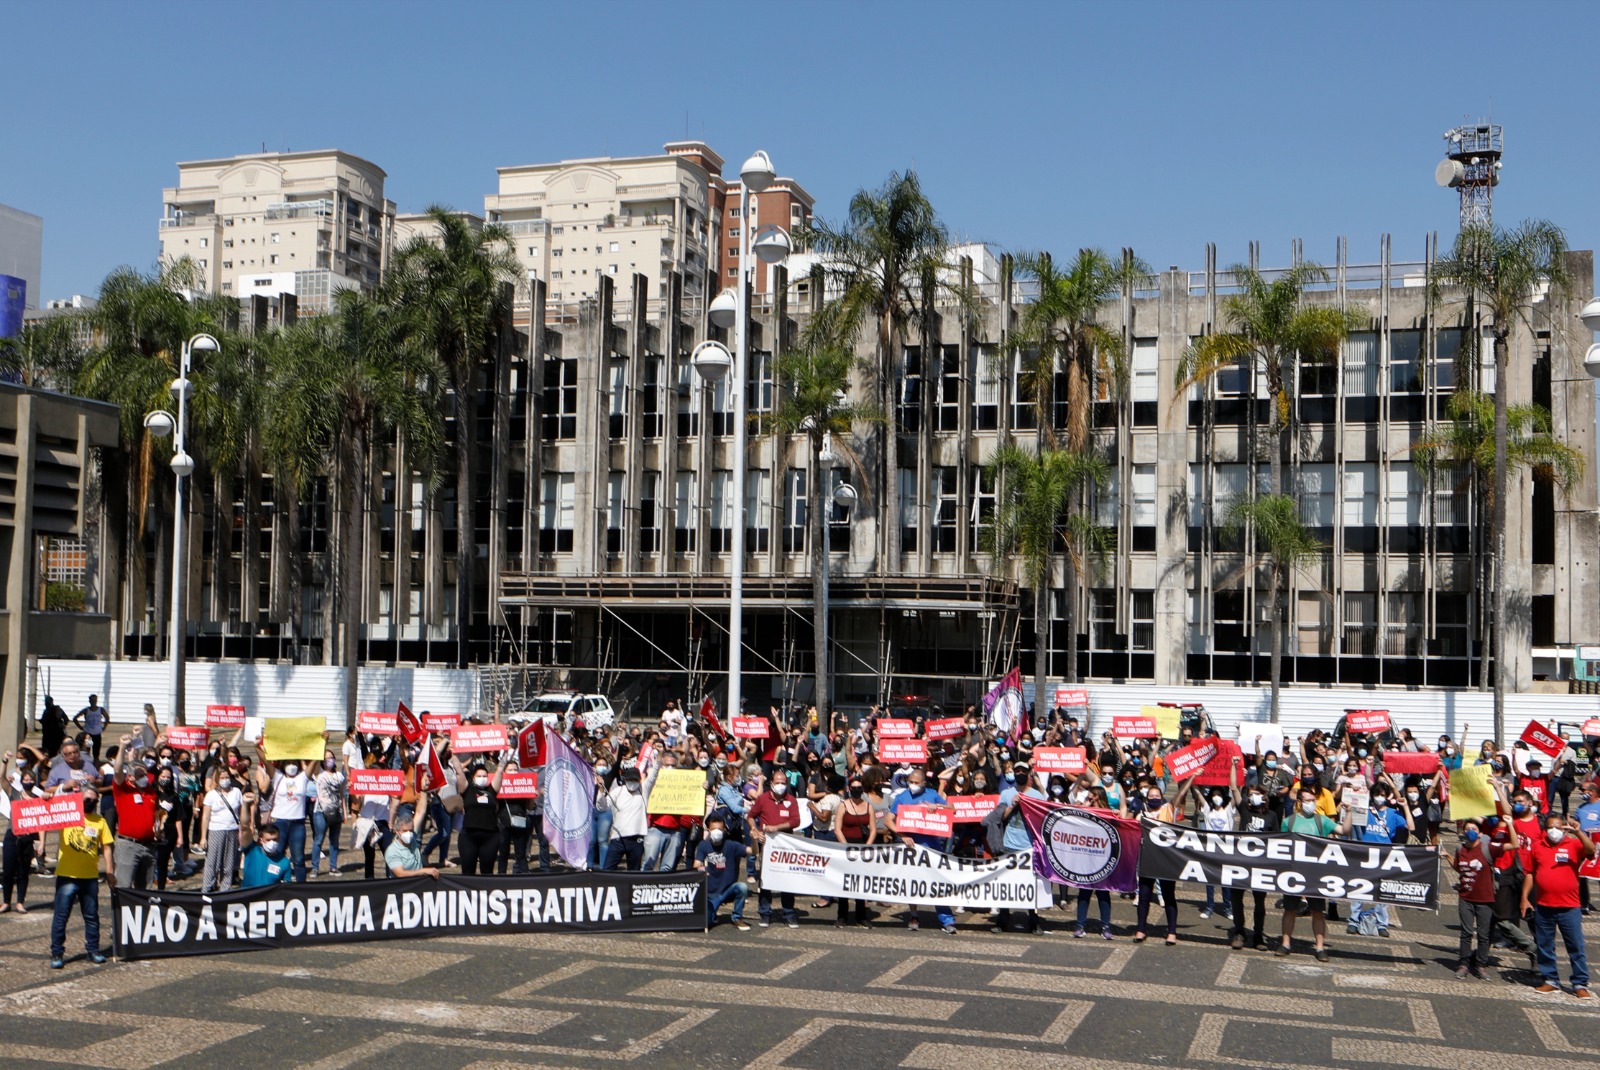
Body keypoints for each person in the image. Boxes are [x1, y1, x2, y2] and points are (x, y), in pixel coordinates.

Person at [1522, 812, 1596, 998]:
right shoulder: (1538, 846)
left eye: (1557, 826)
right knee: (1545, 945)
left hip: (1569, 906)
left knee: (1576, 947)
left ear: (1564, 828)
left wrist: (1578, 832)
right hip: (1544, 906)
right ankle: (1550, 980)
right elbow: (1530, 873)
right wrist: (1524, 897)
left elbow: (1591, 850)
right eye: (1550, 827)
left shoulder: (1573, 844)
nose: (1553, 830)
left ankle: (1580, 982)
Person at [1278, 787, 1352, 961]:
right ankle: (1285, 943)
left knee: (1317, 912)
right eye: (1308, 800)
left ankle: (1319, 948)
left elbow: (1344, 831)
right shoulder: (1288, 822)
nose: (1311, 803)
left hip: (1316, 874)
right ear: (1299, 802)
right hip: (1294, 873)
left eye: (1313, 800)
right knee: (1289, 910)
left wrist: (1349, 813)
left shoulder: (1322, 821)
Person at [49, 783, 113, 969]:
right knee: (61, 917)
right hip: (67, 875)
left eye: (93, 800)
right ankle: (57, 952)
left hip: (89, 876)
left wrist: (109, 871)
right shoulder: (67, 816)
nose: (90, 802)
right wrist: (47, 797)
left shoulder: (100, 821)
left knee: (92, 916)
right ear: (79, 799)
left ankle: (93, 950)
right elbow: (48, 813)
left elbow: (107, 848)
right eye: (86, 799)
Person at [886, 768, 957, 934]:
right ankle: (914, 915)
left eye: (916, 783)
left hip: (932, 847)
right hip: (912, 847)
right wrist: (902, 835)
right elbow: (889, 820)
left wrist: (937, 806)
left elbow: (952, 810)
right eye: (910, 782)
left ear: (923, 783)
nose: (913, 785)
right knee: (912, 882)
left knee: (938, 883)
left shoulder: (932, 794)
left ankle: (946, 919)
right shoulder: (902, 797)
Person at [1348, 773, 1413, 938]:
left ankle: (1381, 923)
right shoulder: (1366, 810)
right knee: (1359, 887)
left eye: (1382, 795)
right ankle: (1353, 921)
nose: (1379, 798)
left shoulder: (1392, 813)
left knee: (1382, 890)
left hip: (1385, 855)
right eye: (1376, 795)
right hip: (1365, 852)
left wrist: (1405, 807)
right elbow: (1349, 824)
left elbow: (1411, 827)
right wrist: (1353, 802)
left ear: (1386, 796)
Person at [1133, 778, 1192, 945]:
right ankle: (1141, 929)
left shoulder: (1168, 808)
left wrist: (1192, 777)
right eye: (1151, 795)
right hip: (1147, 860)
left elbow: (1180, 794)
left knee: (1168, 896)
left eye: (1156, 795)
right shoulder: (1141, 814)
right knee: (1144, 896)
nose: (1154, 798)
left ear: (1161, 797)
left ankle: (1172, 931)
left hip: (1166, 860)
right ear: (1146, 798)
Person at [995, 761, 1046, 935]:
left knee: (1031, 885)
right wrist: (1013, 804)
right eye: (1017, 771)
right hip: (1009, 845)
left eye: (1023, 771)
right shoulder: (1006, 793)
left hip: (1030, 847)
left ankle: (1033, 921)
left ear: (1028, 773)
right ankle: (1003, 920)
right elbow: (999, 817)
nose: (1020, 773)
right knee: (1006, 884)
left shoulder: (1037, 795)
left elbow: (1043, 819)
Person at [748, 774, 803, 928]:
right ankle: (764, 913)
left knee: (787, 880)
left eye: (783, 783)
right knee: (765, 879)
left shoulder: (791, 800)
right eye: (778, 782)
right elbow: (751, 816)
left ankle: (789, 913)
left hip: (785, 846)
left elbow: (796, 821)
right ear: (771, 783)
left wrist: (777, 828)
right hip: (767, 845)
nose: (780, 785)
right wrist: (754, 829)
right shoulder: (763, 798)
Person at [1446, 816, 1496, 979]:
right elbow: (1460, 868)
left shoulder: (1487, 848)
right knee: (1466, 932)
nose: (1470, 832)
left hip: (1485, 898)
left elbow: (1513, 845)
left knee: (1483, 934)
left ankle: (1481, 965)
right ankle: (1463, 964)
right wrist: (1447, 855)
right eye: (1467, 829)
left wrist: (1509, 824)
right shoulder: (1460, 849)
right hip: (1465, 897)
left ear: (1480, 833)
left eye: (1474, 829)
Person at [1229, 775, 1276, 950]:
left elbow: (1277, 839)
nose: (1252, 796)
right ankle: (1239, 931)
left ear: (1264, 796)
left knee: (1259, 901)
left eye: (1256, 793)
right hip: (1241, 861)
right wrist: (1235, 766)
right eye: (1250, 794)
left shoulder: (1271, 816)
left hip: (1260, 864)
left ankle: (1258, 935)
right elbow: (1234, 787)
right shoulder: (1245, 811)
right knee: (1236, 897)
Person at [255, 743, 314, 882]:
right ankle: (273, 884)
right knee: (276, 855)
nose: (291, 766)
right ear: (283, 765)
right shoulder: (278, 776)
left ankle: (301, 890)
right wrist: (257, 746)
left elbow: (315, 760)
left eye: (294, 763)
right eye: (289, 763)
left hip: (298, 824)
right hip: (280, 822)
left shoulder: (303, 778)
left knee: (298, 859)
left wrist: (323, 741)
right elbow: (265, 760)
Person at [109, 733, 160, 889]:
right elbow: (117, 770)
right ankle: (121, 912)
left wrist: (158, 828)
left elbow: (156, 814)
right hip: (128, 845)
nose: (143, 777)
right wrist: (123, 747)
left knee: (145, 888)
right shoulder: (123, 790)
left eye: (144, 773)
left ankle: (142, 913)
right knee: (123, 886)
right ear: (130, 777)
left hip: (149, 846)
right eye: (139, 774)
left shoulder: (151, 791)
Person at [2, 748, 45, 912]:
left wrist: (41, 842)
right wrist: (5, 761)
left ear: (33, 781)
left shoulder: (37, 798)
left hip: (27, 838)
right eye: (25, 778)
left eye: (30, 779)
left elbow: (42, 822)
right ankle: (6, 902)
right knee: (8, 871)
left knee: (23, 872)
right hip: (12, 836)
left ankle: (20, 901)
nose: (27, 780)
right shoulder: (14, 793)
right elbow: (2, 778)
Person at [832, 775, 876, 927]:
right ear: (849, 789)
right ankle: (842, 916)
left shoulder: (869, 806)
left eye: (859, 788)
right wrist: (846, 847)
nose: (857, 790)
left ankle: (861, 916)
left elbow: (873, 830)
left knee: (860, 883)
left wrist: (867, 847)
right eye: (854, 788)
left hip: (862, 848)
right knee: (844, 882)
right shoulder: (843, 805)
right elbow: (837, 829)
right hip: (846, 847)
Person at [694, 815, 750, 930]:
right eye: (714, 829)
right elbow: (696, 864)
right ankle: (712, 915)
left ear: (724, 830)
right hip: (710, 894)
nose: (717, 832)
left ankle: (737, 917)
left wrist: (753, 839)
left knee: (742, 887)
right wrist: (701, 869)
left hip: (727, 891)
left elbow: (752, 851)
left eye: (720, 829)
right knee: (707, 923)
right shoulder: (703, 845)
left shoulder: (731, 845)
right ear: (708, 830)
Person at [199, 768, 247, 893]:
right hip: (216, 830)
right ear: (217, 780)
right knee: (212, 862)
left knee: (229, 862)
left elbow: (240, 813)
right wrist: (203, 837)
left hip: (232, 830)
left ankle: (225, 888)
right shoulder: (212, 794)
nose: (225, 780)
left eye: (227, 777)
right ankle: (208, 887)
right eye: (222, 778)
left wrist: (241, 831)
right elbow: (205, 816)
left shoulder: (236, 792)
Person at [455, 760, 504, 875]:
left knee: (487, 872)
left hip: (490, 836)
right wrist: (454, 754)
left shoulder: (491, 791)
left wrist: (507, 751)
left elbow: (500, 769)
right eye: (479, 776)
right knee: (468, 871)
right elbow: (458, 771)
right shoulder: (467, 790)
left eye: (484, 776)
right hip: (469, 836)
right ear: (473, 777)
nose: (482, 778)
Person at [603, 765, 650, 871]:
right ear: (625, 779)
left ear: (639, 780)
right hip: (618, 838)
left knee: (634, 872)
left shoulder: (644, 790)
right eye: (630, 779)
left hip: (636, 839)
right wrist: (601, 791)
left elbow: (653, 775)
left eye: (635, 779)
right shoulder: (618, 791)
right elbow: (603, 806)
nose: (632, 782)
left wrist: (659, 758)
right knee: (608, 869)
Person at [238, 801, 294, 889]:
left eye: (275, 839)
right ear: (261, 840)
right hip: (248, 898)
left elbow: (286, 888)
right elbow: (244, 827)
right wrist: (245, 805)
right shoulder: (252, 851)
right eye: (268, 840)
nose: (272, 843)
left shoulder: (284, 862)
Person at [311, 752, 346, 878]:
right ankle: (315, 867)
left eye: (331, 757)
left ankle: (333, 867)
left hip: (336, 811)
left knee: (334, 841)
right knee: (318, 840)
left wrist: (344, 812)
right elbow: (314, 766)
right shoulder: (319, 774)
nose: (329, 760)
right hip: (321, 811)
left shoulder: (339, 776)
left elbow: (341, 795)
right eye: (326, 759)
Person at [383, 809, 442, 880]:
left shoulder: (413, 837)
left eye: (410, 830)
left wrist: (423, 797)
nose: (408, 833)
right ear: (397, 832)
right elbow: (400, 874)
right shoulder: (392, 851)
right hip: (403, 887)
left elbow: (420, 812)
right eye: (405, 831)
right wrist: (423, 871)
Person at [74, 694, 107, 763]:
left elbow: (107, 718)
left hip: (97, 733)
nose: (93, 702)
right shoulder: (86, 710)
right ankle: (87, 763)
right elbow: (75, 718)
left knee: (96, 752)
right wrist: (80, 727)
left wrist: (104, 727)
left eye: (94, 700)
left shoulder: (101, 710)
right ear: (89, 701)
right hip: (88, 733)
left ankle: (96, 766)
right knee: (86, 750)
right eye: (92, 700)